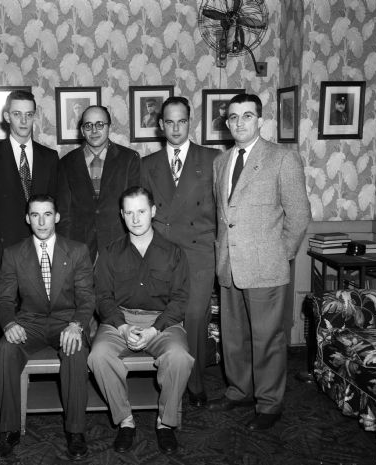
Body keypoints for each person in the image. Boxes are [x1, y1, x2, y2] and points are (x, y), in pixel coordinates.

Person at [210, 93, 310, 431]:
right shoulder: (220, 162)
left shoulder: (282, 158)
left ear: (260, 120)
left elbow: (299, 214)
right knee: (233, 337)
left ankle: (269, 405)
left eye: (247, 116)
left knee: (267, 338)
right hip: (228, 264)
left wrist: (280, 254)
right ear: (227, 123)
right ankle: (239, 390)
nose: (239, 123)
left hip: (266, 266)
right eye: (234, 117)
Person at [87, 186, 192, 455]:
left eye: (142, 211)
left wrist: (155, 330)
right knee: (98, 356)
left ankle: (165, 424)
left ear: (153, 211)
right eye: (129, 213)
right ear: (122, 215)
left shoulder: (174, 252)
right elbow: (102, 297)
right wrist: (122, 326)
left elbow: (180, 300)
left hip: (162, 322)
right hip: (119, 319)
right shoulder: (109, 252)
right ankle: (125, 420)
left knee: (179, 357)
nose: (136, 219)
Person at [0, 194, 95, 461]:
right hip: (30, 322)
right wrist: (10, 323)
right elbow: (3, 299)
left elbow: (87, 298)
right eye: (35, 215)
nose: (41, 221)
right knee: (5, 351)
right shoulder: (13, 254)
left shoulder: (78, 250)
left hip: (66, 321)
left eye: (47, 214)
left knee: (75, 350)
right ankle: (9, 431)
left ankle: (75, 432)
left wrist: (76, 325)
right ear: (27, 219)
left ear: (56, 217)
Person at [140, 96, 220, 408]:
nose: (176, 128)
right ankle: (166, 378)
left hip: (200, 252)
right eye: (169, 122)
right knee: (166, 315)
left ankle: (195, 382)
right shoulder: (147, 164)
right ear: (161, 125)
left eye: (182, 121)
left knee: (195, 317)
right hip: (163, 253)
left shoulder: (213, 159)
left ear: (191, 122)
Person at [0, 90, 58, 353]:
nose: (23, 121)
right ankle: (8, 389)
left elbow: (56, 209)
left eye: (29, 114)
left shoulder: (49, 157)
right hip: (2, 256)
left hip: (41, 254)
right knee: (5, 330)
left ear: (35, 117)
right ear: (7, 115)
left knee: (39, 324)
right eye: (17, 114)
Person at [57, 105, 141, 262]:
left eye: (100, 124)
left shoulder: (129, 159)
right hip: (79, 248)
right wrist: (67, 251)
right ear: (82, 130)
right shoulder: (66, 163)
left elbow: (136, 209)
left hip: (119, 246)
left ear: (109, 127)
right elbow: (64, 214)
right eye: (88, 126)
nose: (94, 131)